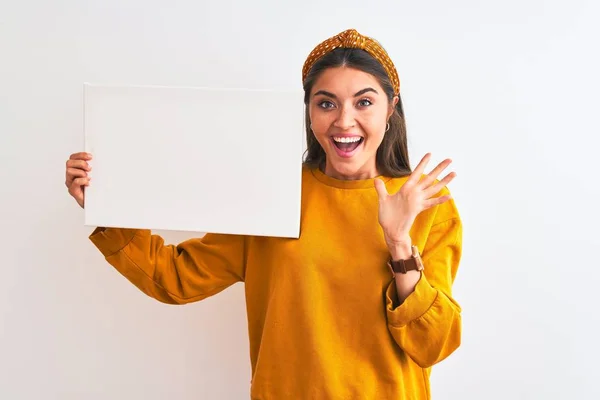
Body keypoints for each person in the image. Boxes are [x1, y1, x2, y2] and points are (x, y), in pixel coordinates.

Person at [65, 28, 462, 400]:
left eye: (364, 102)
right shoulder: (272, 190)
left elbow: (435, 344)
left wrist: (398, 243)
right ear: (308, 110)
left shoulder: (424, 203)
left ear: (391, 107)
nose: (344, 121)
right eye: (326, 103)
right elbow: (175, 278)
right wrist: (104, 203)